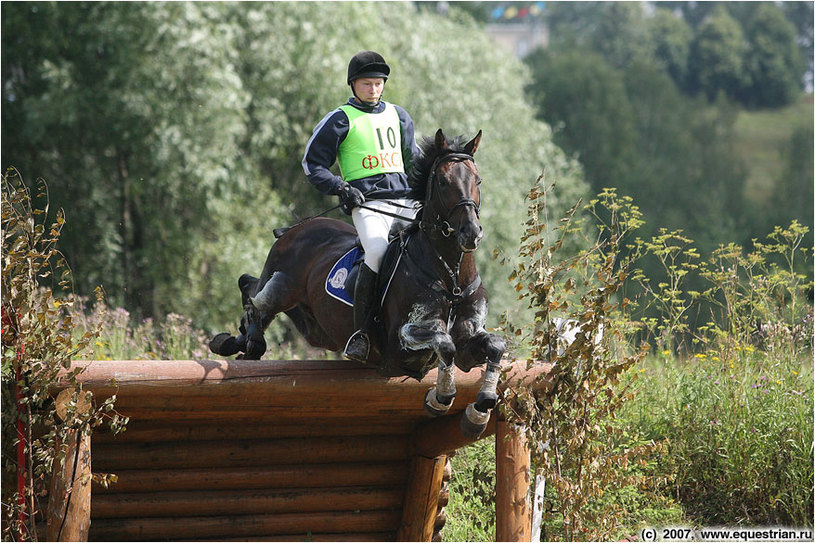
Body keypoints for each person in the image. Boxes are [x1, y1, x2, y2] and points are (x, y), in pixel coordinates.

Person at [302, 50, 420, 362]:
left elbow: (414, 163)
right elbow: (312, 164)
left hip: (405, 200)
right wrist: (341, 187)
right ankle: (363, 333)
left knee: (436, 243)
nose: (373, 89)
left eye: (378, 83)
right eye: (367, 84)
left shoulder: (399, 115)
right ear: (353, 85)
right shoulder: (340, 119)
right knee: (378, 252)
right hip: (368, 204)